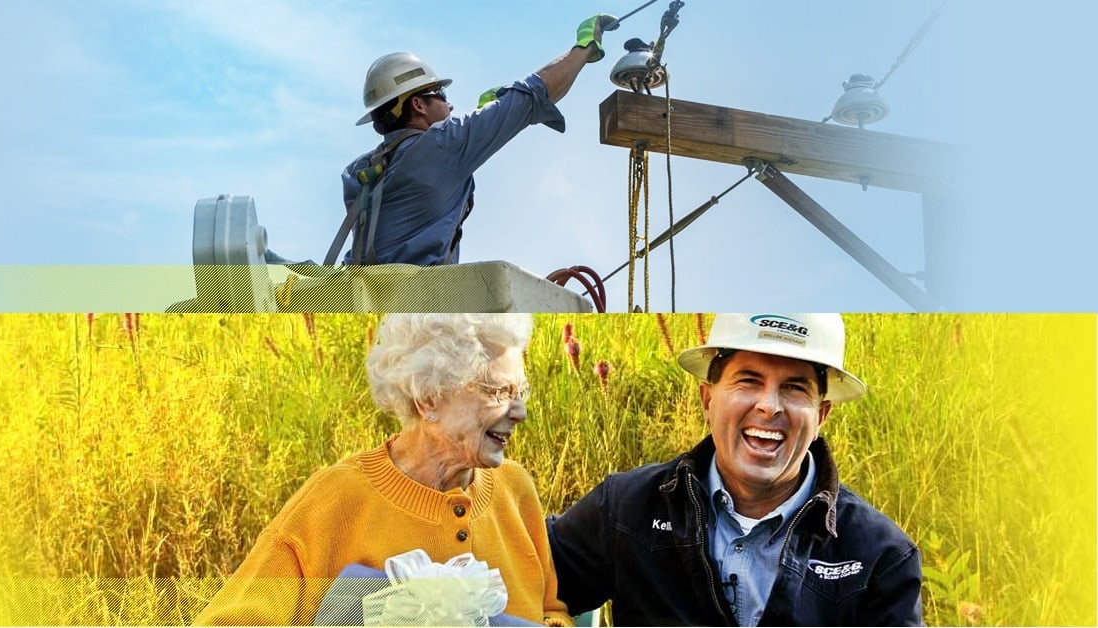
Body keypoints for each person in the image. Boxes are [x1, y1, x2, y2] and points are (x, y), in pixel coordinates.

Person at [547, 313, 924, 626]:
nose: (769, 406)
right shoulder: (628, 509)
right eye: (749, 381)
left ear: (821, 415)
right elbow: (521, 578)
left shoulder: (879, 556)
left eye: (794, 388)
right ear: (708, 399)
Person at [195, 314, 571, 626]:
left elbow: (551, 611)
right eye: (497, 392)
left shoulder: (515, 489)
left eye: (520, 392)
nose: (519, 413)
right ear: (428, 399)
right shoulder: (336, 499)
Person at [333, 14, 617, 266]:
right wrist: (584, 49)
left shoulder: (360, 171)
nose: (451, 105)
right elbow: (532, 96)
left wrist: (481, 117)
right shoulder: (442, 147)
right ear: (418, 105)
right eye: (441, 95)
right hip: (414, 306)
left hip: (362, 299)